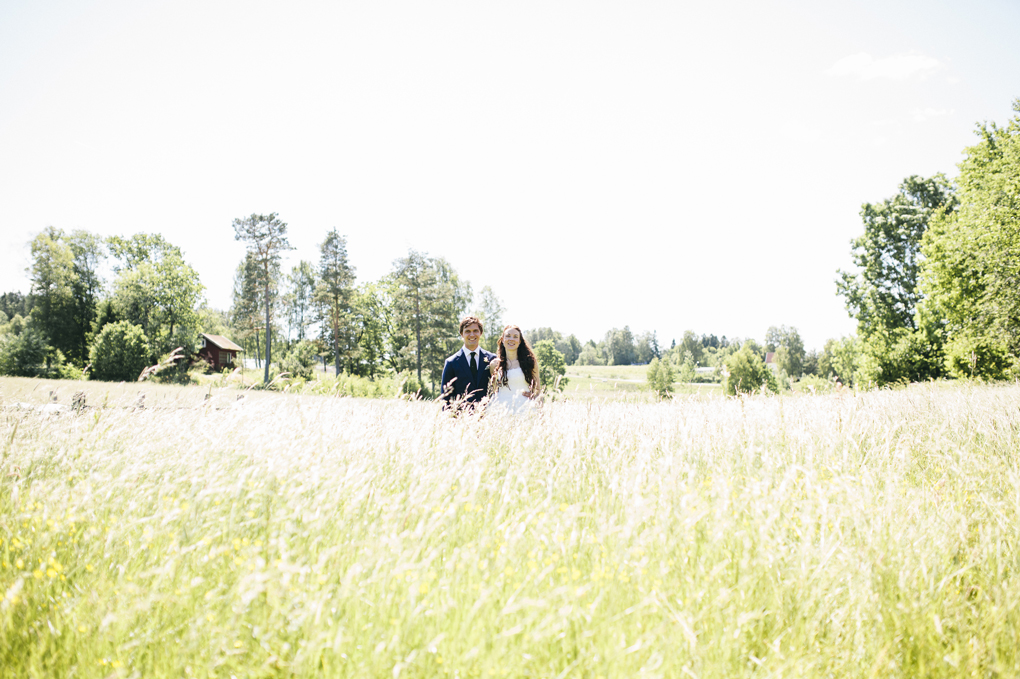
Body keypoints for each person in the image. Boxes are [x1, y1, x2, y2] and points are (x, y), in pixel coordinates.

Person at [440, 316, 497, 410]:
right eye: (467, 331)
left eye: (475, 331)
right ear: (461, 334)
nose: (472, 335)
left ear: (481, 333)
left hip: (488, 416)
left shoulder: (492, 359)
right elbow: (446, 398)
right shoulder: (451, 363)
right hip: (462, 418)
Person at [487, 325, 540, 415]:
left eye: (515, 337)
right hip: (500, 409)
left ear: (519, 342)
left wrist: (535, 399)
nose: (511, 339)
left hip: (524, 409)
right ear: (503, 340)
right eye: (508, 336)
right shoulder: (494, 364)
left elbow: (538, 390)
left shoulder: (530, 363)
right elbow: (494, 390)